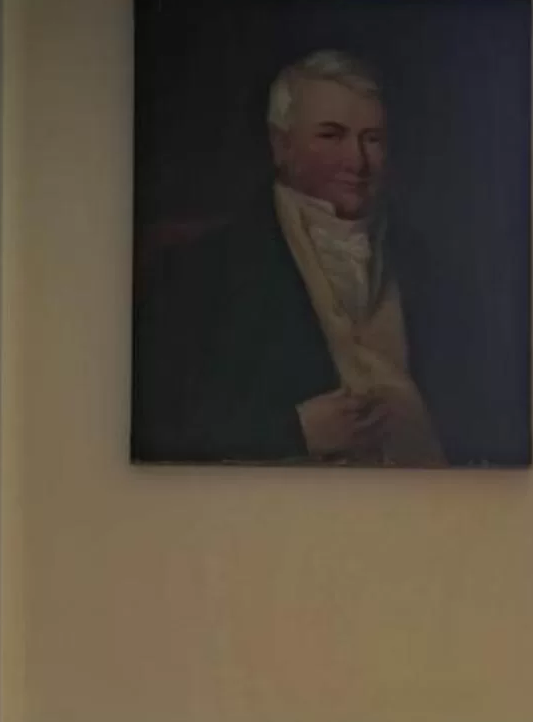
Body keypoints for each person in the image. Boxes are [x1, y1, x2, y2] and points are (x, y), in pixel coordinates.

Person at [135, 49, 462, 464]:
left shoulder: (432, 267)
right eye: (331, 135)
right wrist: (293, 431)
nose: (357, 161)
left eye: (372, 139)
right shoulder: (203, 270)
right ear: (281, 145)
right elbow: (157, 431)